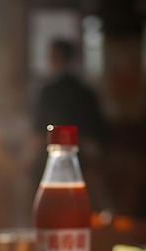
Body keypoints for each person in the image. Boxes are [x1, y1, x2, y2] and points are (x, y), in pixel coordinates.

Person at [26, 38, 108, 212]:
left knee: (47, 208)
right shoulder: (86, 92)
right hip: (83, 162)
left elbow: (38, 134)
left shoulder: (48, 92)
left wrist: (27, 160)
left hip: (50, 162)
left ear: (56, 57)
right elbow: (97, 138)